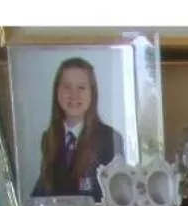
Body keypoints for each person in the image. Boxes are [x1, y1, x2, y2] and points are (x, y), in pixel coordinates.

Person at [30, 56, 124, 197]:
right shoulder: (49, 137)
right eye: (67, 87)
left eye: (81, 87)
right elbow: (42, 192)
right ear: (57, 91)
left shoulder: (109, 138)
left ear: (92, 93)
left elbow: (117, 196)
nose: (74, 95)